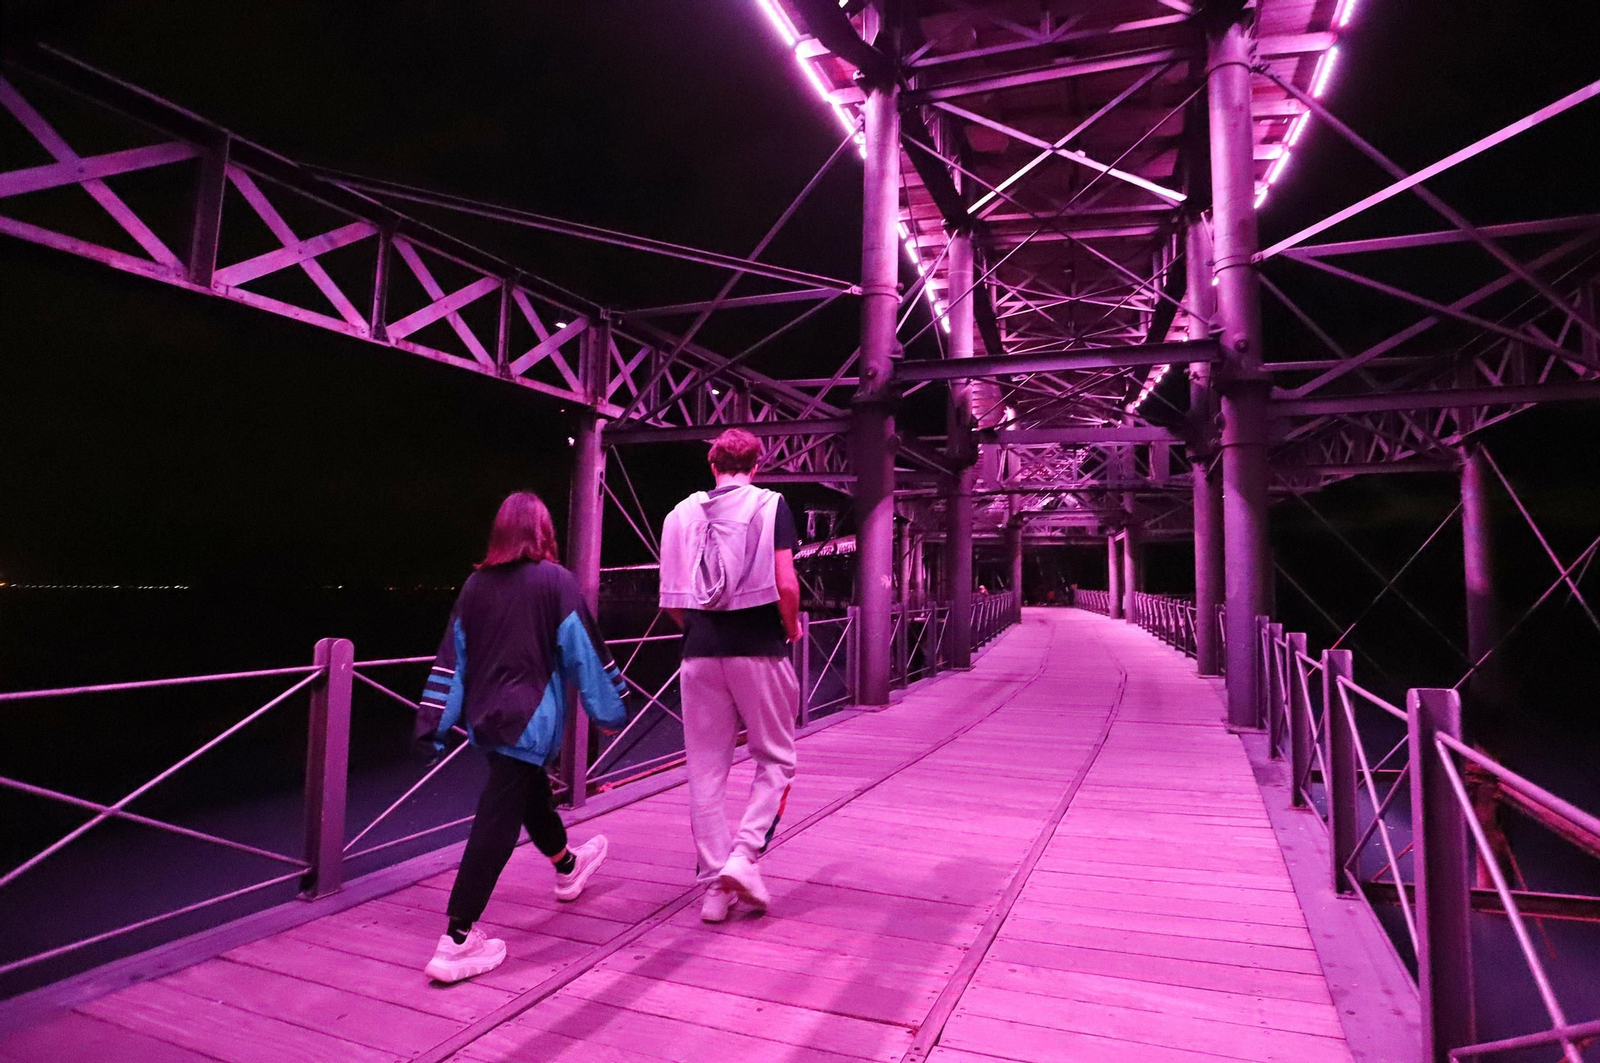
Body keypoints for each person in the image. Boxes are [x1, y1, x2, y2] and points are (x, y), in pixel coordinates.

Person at [415, 491, 627, 984]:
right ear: (542, 532)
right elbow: (584, 652)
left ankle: (568, 866)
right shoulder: (555, 581)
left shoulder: (475, 586)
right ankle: (457, 938)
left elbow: (452, 660)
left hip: (487, 720)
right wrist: (610, 710)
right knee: (497, 822)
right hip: (529, 721)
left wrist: (433, 725)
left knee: (529, 794)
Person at [659, 429, 801, 923]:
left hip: (698, 652)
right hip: (758, 648)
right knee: (776, 759)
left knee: (705, 771)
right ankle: (744, 855)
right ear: (756, 465)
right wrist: (791, 627)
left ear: (712, 463)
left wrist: (702, 630)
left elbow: (671, 602)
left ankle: (716, 888)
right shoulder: (770, 504)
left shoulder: (680, 513)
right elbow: (786, 582)